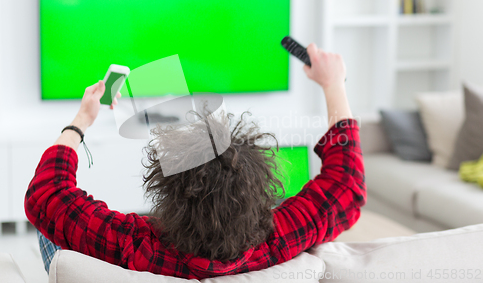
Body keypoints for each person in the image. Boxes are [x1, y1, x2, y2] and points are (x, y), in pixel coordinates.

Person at [25, 44, 365, 279]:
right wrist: (333, 83)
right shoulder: (280, 240)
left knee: (54, 229)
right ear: (258, 189)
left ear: (168, 194)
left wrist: (80, 122)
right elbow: (346, 184)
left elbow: (46, 194)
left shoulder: (134, 243)